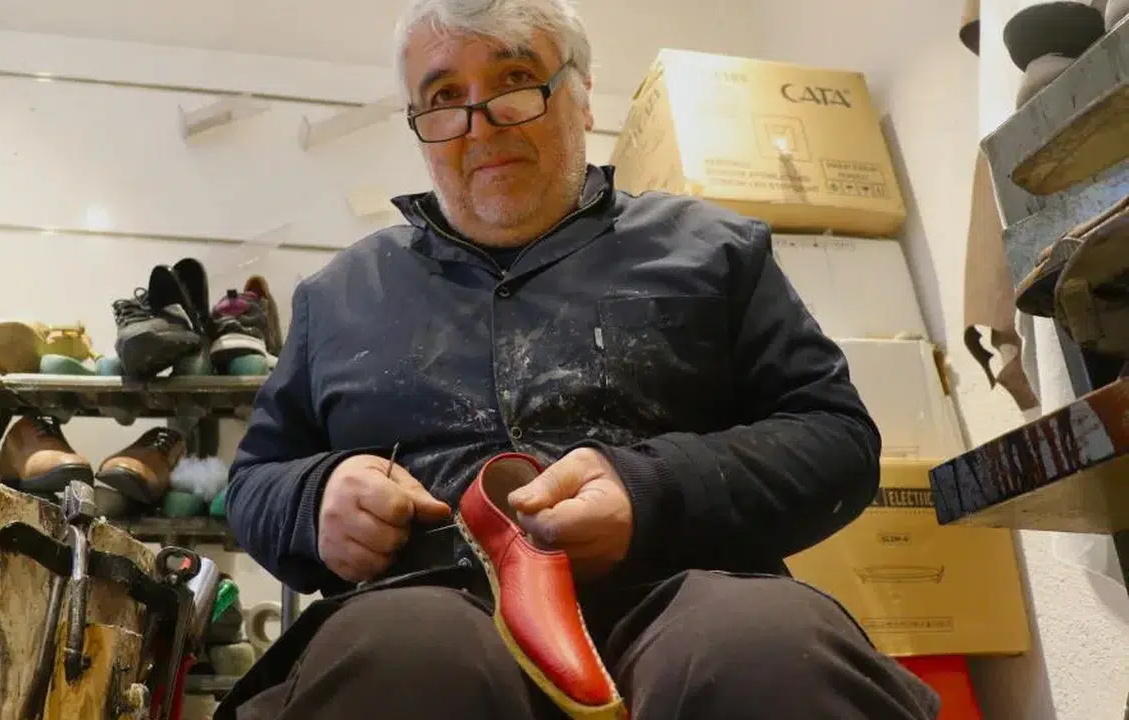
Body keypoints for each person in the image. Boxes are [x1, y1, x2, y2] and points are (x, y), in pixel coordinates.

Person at [218, 0, 940, 718]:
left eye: (515, 81)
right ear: (418, 124)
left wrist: (650, 490)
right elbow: (254, 482)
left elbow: (835, 440)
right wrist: (315, 499)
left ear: (583, 95)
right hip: (427, 599)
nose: (481, 124)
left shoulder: (714, 252)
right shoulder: (337, 295)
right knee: (405, 656)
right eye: (444, 97)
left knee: (767, 650)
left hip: (681, 593)